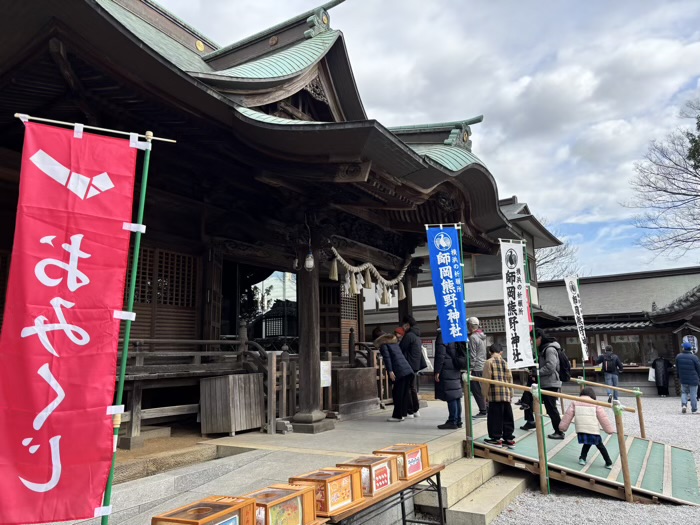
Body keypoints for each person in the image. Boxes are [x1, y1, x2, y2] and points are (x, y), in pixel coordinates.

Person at [559, 387, 614, 469]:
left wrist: (562, 427)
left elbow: (567, 416)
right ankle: (608, 462)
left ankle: (582, 458)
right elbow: (603, 418)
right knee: (600, 446)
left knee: (587, 443)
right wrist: (609, 430)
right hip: (593, 429)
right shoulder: (595, 403)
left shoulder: (575, 402)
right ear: (592, 395)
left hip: (582, 429)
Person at [375, 332, 414, 422]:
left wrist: (390, 371)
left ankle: (397, 416)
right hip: (408, 371)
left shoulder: (384, 346)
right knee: (404, 394)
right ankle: (403, 414)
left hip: (400, 372)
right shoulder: (395, 345)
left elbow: (387, 358)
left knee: (397, 394)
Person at [482, 343, 516, 447]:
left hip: (494, 394)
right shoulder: (506, 362)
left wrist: (485, 395)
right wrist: (511, 394)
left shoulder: (488, 362)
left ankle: (496, 438)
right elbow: (510, 379)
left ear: (490, 352)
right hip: (506, 393)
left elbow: (486, 380)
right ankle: (508, 438)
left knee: (495, 417)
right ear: (501, 352)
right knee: (507, 416)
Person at [433, 317, 464, 429]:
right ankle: (458, 420)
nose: (435, 323)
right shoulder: (454, 333)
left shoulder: (442, 335)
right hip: (455, 367)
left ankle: (452, 421)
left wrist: (437, 371)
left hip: (446, 369)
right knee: (456, 396)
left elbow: (440, 354)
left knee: (451, 396)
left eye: (436, 321)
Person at [536, 328, 565, 439]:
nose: (533, 341)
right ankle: (558, 430)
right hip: (548, 382)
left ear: (539, 338)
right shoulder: (545, 348)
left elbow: (551, 366)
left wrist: (538, 372)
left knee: (552, 408)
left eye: (534, 339)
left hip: (550, 382)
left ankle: (559, 431)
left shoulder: (549, 349)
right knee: (550, 408)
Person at [399, 315, 426, 417]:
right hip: (414, 365)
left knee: (407, 388)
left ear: (407, 325)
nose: (402, 327)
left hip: (408, 365)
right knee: (412, 388)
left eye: (403, 325)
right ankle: (416, 409)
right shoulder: (416, 335)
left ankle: (410, 410)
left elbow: (401, 349)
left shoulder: (409, 335)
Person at [467, 317, 488, 418]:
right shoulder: (482, 336)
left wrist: (470, 368)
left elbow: (472, 355)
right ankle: (486, 408)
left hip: (476, 367)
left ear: (470, 326)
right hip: (483, 365)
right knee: (483, 388)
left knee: (476, 390)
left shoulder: (473, 337)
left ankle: (483, 410)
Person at [676, 341, 700, 414]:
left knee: (684, 392)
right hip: (693, 378)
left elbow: (677, 368)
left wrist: (678, 376)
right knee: (693, 394)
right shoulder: (694, 357)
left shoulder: (678, 356)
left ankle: (684, 405)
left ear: (683, 348)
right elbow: (698, 368)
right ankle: (694, 409)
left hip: (683, 378)